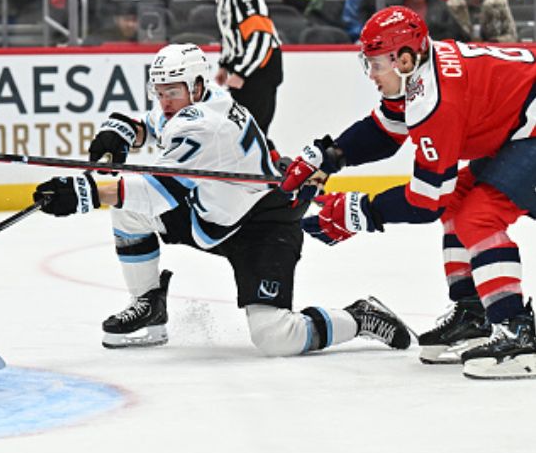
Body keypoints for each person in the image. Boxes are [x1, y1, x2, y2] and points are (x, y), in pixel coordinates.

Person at [32, 43, 412, 356]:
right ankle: (150, 306)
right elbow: (153, 126)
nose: (165, 101)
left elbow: (155, 190)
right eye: (160, 92)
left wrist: (81, 193)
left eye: (173, 92)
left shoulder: (204, 126)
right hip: (214, 213)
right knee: (129, 214)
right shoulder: (199, 99)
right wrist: (121, 132)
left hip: (263, 226)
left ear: (195, 87)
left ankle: (360, 317)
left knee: (276, 338)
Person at [280, 6, 536, 379]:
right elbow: (385, 130)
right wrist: (328, 156)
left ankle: (517, 331)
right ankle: (474, 313)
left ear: (402, 58)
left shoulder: (438, 102)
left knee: (478, 215)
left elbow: (426, 201)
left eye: (375, 64)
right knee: (459, 201)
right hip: (521, 131)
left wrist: (359, 210)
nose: (370, 75)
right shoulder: (418, 70)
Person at [210, 0, 283, 137]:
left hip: (259, 69)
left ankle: (271, 162)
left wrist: (241, 73)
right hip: (247, 68)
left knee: (250, 134)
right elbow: (230, 33)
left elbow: (261, 34)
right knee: (243, 134)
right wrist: (224, 65)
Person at [446, 0, 516, 42]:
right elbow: (448, 37)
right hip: (464, 49)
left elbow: (512, 36)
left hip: (494, 49)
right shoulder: (453, 6)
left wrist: (494, 42)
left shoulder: (497, 3)